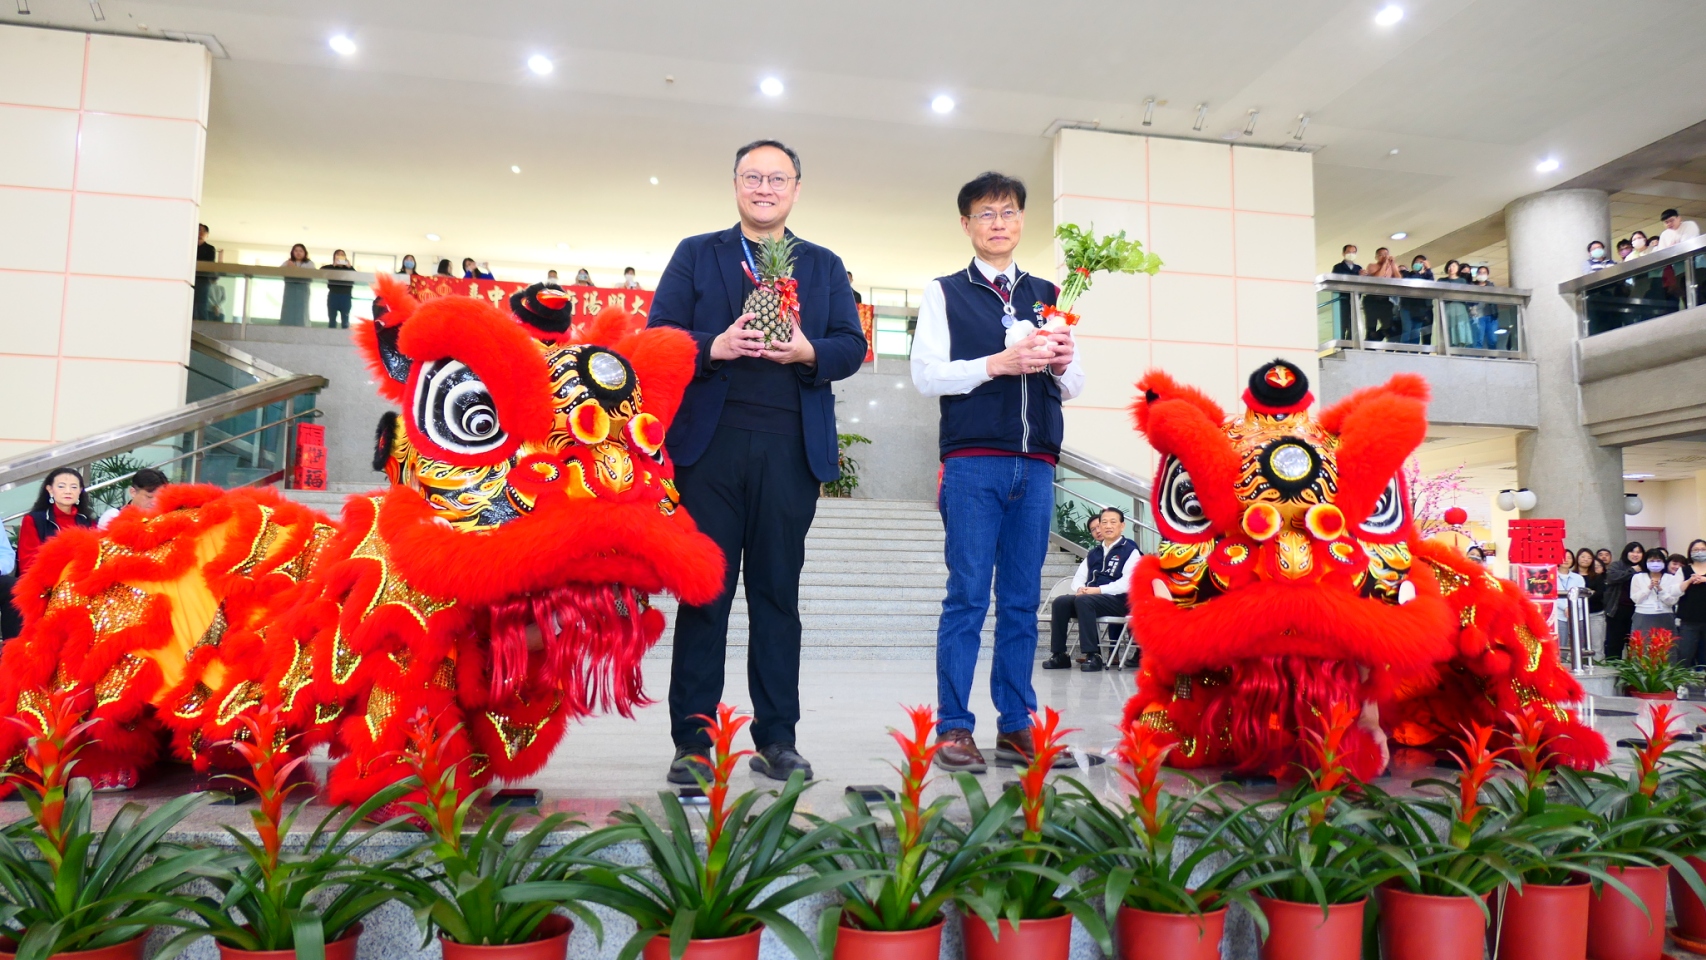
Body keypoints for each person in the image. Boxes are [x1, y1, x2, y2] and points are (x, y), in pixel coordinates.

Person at [648, 139, 866, 784]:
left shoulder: (822, 265)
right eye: (753, 177)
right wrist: (713, 345)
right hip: (708, 451)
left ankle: (777, 739)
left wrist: (807, 352)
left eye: (777, 178)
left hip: (790, 452)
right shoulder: (697, 253)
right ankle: (693, 743)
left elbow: (851, 346)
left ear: (795, 188)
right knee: (705, 596)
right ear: (736, 184)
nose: (765, 188)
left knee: (777, 598)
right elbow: (657, 335)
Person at [911, 169, 1084, 773]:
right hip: (972, 462)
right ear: (967, 225)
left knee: (1021, 601)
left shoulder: (1049, 292)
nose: (999, 223)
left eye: (1008, 212)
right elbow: (927, 375)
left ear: (1022, 221)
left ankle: (1016, 726)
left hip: (1036, 465)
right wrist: (997, 363)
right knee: (966, 597)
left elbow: (1076, 383)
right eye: (986, 213)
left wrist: (1061, 363)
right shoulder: (944, 292)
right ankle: (954, 729)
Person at [1042, 507, 1136, 673]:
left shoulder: (1130, 551)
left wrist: (1097, 590)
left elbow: (1127, 583)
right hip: (1091, 599)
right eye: (1104, 522)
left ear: (1122, 526)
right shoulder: (1094, 553)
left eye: (1113, 522)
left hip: (1119, 601)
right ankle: (1059, 654)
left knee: (1085, 601)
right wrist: (1081, 588)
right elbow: (1079, 577)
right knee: (1061, 602)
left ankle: (1093, 655)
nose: (1108, 526)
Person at [16, 468, 96, 579]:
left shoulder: (87, 520)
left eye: (74, 487)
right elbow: (28, 564)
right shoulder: (33, 520)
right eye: (61, 486)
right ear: (50, 490)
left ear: (80, 491)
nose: (68, 491)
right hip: (47, 582)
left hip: (83, 579)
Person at [1628, 546, 1681, 641]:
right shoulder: (1638, 577)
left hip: (1665, 615)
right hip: (1643, 614)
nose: (1655, 563)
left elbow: (1672, 601)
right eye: (1651, 561)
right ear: (1645, 562)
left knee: (1665, 645)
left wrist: (1660, 590)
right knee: (1643, 644)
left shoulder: (1671, 578)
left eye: (1659, 561)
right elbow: (1636, 599)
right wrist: (1649, 588)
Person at [1604, 541, 1643, 659]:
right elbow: (1612, 577)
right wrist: (1632, 570)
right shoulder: (1617, 565)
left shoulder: (1644, 568)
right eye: (1632, 551)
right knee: (1614, 643)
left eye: (1639, 552)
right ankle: (1613, 667)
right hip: (1617, 610)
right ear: (1626, 553)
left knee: (1635, 644)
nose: (1635, 555)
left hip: (1638, 611)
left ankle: (1632, 669)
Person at [97, 468, 168, 529]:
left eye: (160, 497)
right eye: (149, 497)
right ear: (133, 492)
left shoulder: (166, 516)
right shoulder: (112, 517)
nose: (154, 502)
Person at [1362, 247, 1401, 342]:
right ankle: (1369, 344)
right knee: (1371, 325)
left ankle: (1377, 339)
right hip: (1372, 299)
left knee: (1388, 324)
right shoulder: (1372, 266)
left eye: (1386, 255)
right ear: (1376, 257)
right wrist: (1385, 264)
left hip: (1385, 299)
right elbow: (1378, 278)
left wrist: (1392, 265)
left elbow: (1399, 279)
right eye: (1381, 255)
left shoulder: (1392, 267)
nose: (1384, 257)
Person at [1553, 550, 1587, 656]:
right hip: (1558, 615)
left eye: (1569, 558)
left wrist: (1572, 608)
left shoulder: (1578, 578)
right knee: (1560, 644)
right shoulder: (1551, 576)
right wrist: (1565, 608)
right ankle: (1560, 664)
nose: (1566, 560)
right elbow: (1552, 595)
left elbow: (1581, 596)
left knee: (1579, 644)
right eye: (1563, 557)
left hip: (1577, 614)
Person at [1398, 254, 1434, 345]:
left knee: (1416, 332)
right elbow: (1410, 282)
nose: (1418, 263)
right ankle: (1403, 351)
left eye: (1421, 262)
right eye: (1416, 262)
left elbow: (1432, 284)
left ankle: (1414, 351)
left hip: (1420, 308)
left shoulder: (1426, 276)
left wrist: (1428, 270)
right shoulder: (1406, 274)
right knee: (1407, 329)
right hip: (1406, 306)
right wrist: (1418, 273)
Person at [1440, 259, 1474, 347]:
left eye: (1454, 266)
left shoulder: (1462, 281)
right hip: (1447, 307)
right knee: (1448, 328)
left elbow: (1465, 296)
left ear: (1458, 268)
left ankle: (1460, 348)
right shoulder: (1442, 280)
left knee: (1460, 328)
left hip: (1460, 307)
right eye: (1449, 266)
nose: (1451, 268)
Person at [280, 243, 313, 327]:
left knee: (302, 309)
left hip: (303, 288)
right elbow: (279, 271)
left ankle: (302, 327)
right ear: (292, 252)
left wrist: (293, 267)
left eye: (301, 251)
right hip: (290, 287)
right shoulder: (287, 262)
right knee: (288, 308)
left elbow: (310, 275)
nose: (298, 253)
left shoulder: (309, 263)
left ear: (305, 252)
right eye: (296, 251)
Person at [1583, 553, 1608, 659]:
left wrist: (1586, 594)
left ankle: (1598, 665)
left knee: (1597, 645)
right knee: (1578, 646)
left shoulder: (1598, 577)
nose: (1585, 559)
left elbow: (1600, 594)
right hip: (1577, 615)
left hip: (1595, 613)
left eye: (1589, 558)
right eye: (1583, 557)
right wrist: (1589, 592)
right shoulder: (1574, 576)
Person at [324, 249, 356, 329]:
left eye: (342, 255)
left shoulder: (349, 269)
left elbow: (356, 276)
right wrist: (333, 266)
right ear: (334, 257)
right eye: (338, 254)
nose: (340, 256)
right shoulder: (330, 267)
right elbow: (320, 272)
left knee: (345, 322)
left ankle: (344, 337)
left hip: (346, 296)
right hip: (333, 295)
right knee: (332, 321)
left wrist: (349, 267)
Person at [1470, 266, 1501, 349]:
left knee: (1493, 340)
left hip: (1491, 316)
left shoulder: (1491, 286)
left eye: (1484, 273)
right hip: (1478, 316)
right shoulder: (1472, 286)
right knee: (1478, 340)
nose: (1481, 274)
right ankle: (1477, 356)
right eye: (1480, 272)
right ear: (1476, 274)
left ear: (1487, 275)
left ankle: (1492, 356)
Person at [193, 223, 217, 321]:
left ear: (207, 234)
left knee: (201, 304)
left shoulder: (210, 248)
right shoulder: (190, 246)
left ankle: (202, 325)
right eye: (198, 230)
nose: (200, 233)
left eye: (203, 231)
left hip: (203, 280)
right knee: (190, 304)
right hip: (190, 279)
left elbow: (209, 265)